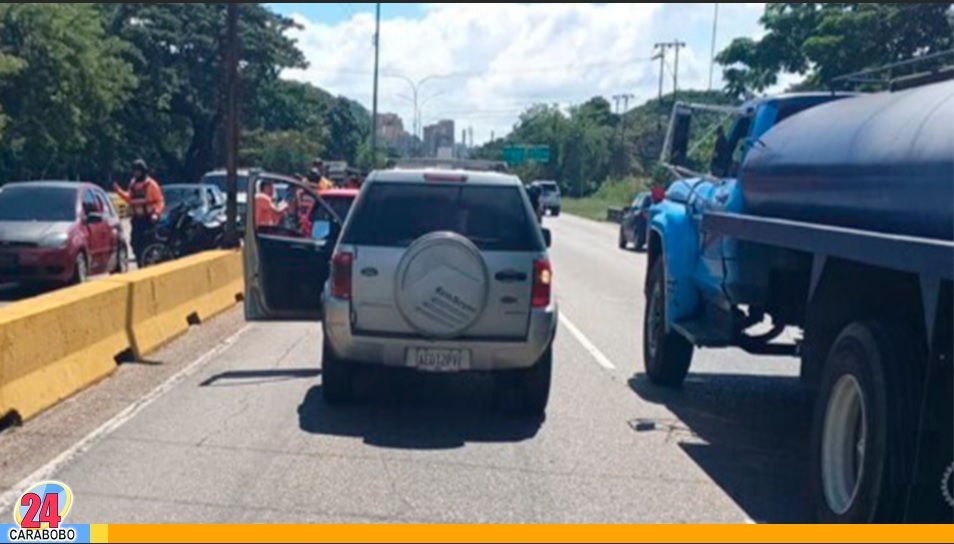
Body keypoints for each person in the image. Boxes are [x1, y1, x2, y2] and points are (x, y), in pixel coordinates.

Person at [114, 160, 165, 268]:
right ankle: (139, 263)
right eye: (134, 171)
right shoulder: (132, 184)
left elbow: (160, 200)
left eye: (138, 171)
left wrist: (156, 213)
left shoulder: (151, 184)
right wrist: (118, 191)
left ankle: (149, 262)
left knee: (148, 242)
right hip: (137, 219)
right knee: (135, 242)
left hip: (149, 219)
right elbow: (129, 198)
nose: (136, 173)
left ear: (143, 171)